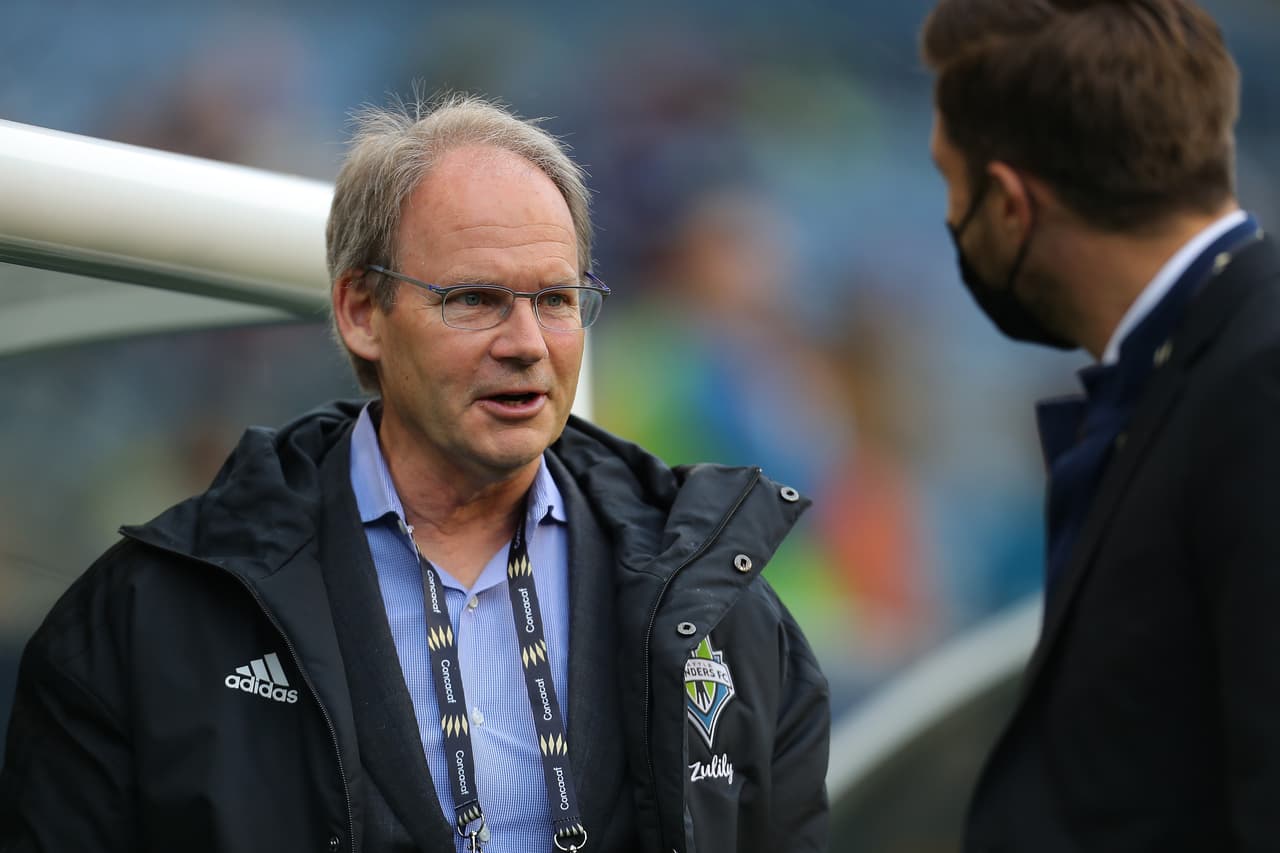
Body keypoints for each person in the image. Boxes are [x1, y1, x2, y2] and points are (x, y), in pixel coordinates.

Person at [0, 94, 830, 853]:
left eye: (556, 299)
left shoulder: (727, 615)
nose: (527, 343)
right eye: (474, 298)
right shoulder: (147, 619)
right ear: (362, 311)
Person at [922, 0, 1280, 849]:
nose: (949, 218)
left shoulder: (1258, 382)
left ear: (1010, 203)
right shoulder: (1187, 370)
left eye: (950, 181)